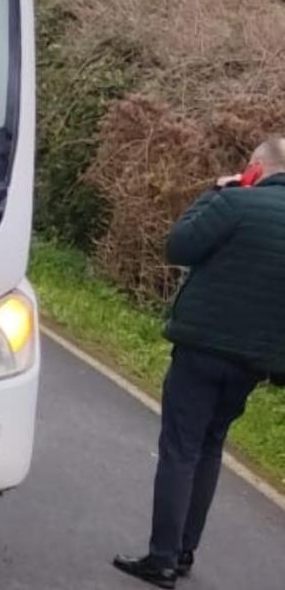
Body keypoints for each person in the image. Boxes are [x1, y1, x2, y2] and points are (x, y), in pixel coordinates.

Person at [113, 137, 285, 588]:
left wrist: (216, 191)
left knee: (180, 449)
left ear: (255, 167)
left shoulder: (235, 203)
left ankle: (162, 559)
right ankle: (185, 551)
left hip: (201, 349)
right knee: (210, 446)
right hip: (252, 361)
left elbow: (179, 246)